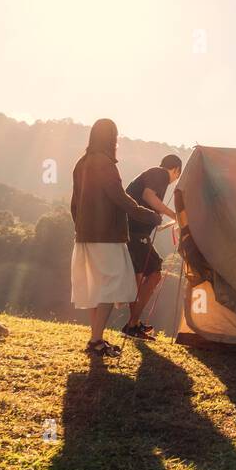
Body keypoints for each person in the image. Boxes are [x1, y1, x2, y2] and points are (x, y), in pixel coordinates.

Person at [70, 119, 160, 358]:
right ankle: (96, 341)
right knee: (110, 288)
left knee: (95, 288)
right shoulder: (105, 164)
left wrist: (81, 228)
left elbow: (74, 202)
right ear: (112, 138)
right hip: (107, 237)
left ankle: (96, 338)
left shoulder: (81, 163)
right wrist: (150, 216)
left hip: (85, 235)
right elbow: (120, 198)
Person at [120, 153, 183, 339]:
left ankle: (133, 324)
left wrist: (162, 221)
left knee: (138, 278)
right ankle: (132, 323)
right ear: (175, 170)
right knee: (154, 272)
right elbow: (148, 196)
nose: (175, 180)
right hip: (136, 233)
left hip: (130, 231)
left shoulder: (151, 174)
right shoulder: (160, 174)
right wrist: (174, 215)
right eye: (178, 176)